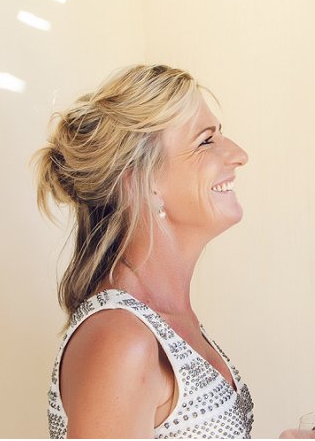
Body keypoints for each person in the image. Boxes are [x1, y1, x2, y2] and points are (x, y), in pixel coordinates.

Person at [35, 64, 254, 438]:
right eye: (206, 141)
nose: (238, 154)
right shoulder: (121, 338)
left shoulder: (166, 318)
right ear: (142, 181)